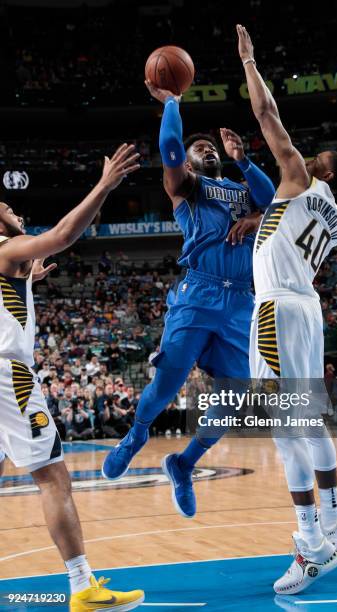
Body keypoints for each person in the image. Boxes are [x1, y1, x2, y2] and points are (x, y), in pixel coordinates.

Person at [102, 80, 276, 520]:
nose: (207, 149)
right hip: (198, 292)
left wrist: (246, 167)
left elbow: (275, 203)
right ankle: (136, 435)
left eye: (211, 147)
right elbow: (173, 148)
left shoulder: (242, 188)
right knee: (167, 385)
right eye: (201, 148)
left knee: (233, 398)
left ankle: (183, 463)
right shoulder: (187, 186)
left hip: (242, 303)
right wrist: (173, 104)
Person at [236, 24, 337, 595]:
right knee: (309, 422)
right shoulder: (335, 217)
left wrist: (251, 64)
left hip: (277, 310)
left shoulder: (301, 179)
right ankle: (333, 524)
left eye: (316, 157)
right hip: (306, 311)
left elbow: (268, 115)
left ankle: (312, 545)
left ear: (323, 171)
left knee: (284, 431)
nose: (304, 155)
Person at [0, 144, 145, 611]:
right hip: (9, 377)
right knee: (53, 479)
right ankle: (82, 587)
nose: (15, 211)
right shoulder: (5, 250)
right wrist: (104, 185)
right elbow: (62, 234)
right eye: (7, 209)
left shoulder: (12, 266)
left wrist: (27, 281)